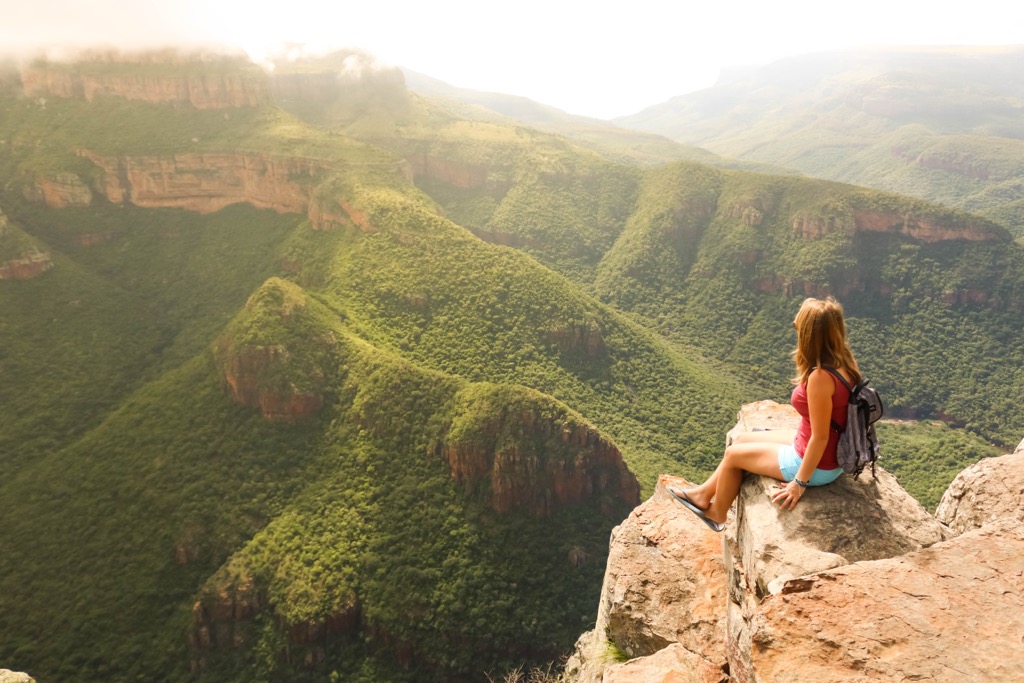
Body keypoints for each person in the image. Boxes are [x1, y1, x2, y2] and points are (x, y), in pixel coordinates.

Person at [669, 296, 860, 532]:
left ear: (810, 334)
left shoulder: (821, 377)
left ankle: (717, 513)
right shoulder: (846, 360)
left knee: (733, 455)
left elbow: (820, 438)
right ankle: (702, 494)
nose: (796, 329)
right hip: (822, 446)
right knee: (742, 440)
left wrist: (799, 483)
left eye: (798, 327)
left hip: (819, 463)